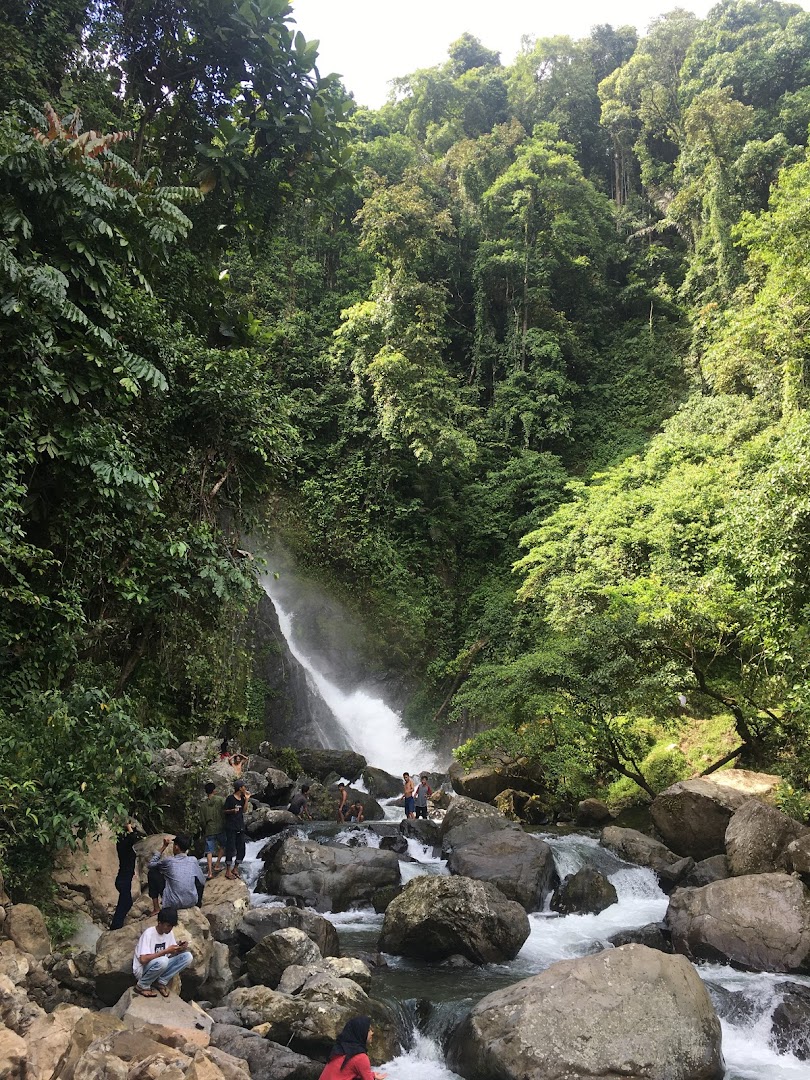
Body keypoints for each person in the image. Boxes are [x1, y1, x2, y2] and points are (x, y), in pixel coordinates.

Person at [132, 905, 193, 999]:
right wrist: (165, 951)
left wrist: (179, 948)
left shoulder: (169, 933)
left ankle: (160, 982)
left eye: (171, 926)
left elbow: (170, 954)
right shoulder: (149, 933)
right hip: (143, 969)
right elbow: (143, 959)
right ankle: (142, 985)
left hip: (159, 967)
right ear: (159, 923)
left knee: (188, 957)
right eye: (168, 926)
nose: (170, 929)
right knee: (163, 960)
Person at [147, 835, 206, 915]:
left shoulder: (169, 861)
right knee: (196, 877)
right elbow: (202, 881)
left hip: (173, 904)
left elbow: (150, 864)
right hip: (192, 902)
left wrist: (164, 847)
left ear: (176, 847)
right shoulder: (193, 860)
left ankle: (156, 908)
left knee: (153, 872)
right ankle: (198, 904)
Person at [318, 1016, 386, 1080]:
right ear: (360, 1033)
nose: (372, 1033)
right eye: (368, 1030)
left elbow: (348, 1070)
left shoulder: (340, 1049)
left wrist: (372, 1075)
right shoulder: (360, 1057)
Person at [110, 820, 141, 930]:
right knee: (125, 902)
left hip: (124, 879)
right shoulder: (124, 845)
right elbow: (133, 838)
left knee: (127, 902)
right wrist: (128, 826)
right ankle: (115, 925)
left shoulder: (123, 844)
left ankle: (118, 923)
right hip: (123, 880)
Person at [224, 778, 250, 880]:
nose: (245, 788)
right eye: (244, 787)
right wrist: (232, 811)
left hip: (240, 826)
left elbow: (244, 810)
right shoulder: (230, 798)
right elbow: (224, 811)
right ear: (240, 788)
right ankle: (227, 870)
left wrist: (247, 799)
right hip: (231, 827)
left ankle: (235, 868)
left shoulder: (243, 799)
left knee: (241, 849)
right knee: (230, 849)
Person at [200, 781, 226, 880]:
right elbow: (226, 810)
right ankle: (217, 864)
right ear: (214, 790)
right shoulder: (220, 800)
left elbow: (202, 821)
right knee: (223, 845)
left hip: (209, 829)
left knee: (209, 851)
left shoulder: (203, 805)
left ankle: (210, 872)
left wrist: (204, 828)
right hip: (220, 828)